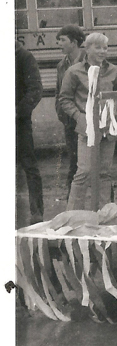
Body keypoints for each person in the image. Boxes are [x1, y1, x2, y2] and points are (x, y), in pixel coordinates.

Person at [57, 32, 117, 211]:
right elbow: (64, 99)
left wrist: (116, 117)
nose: (103, 51)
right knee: (84, 172)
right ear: (87, 48)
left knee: (104, 174)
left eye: (105, 48)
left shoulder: (114, 71)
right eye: (98, 47)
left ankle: (104, 214)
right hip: (86, 130)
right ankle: (72, 214)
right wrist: (79, 118)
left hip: (108, 130)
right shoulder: (74, 71)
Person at [55, 24, 86, 197]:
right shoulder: (61, 65)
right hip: (70, 121)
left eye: (62, 40)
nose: (59, 43)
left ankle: (105, 203)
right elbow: (58, 92)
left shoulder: (88, 61)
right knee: (74, 162)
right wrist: (62, 114)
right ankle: (72, 204)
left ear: (74, 42)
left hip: (86, 118)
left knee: (94, 163)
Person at [16, 41, 44, 225]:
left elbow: (35, 89)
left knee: (29, 166)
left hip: (19, 122)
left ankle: (37, 213)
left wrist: (17, 111)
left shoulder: (24, 57)